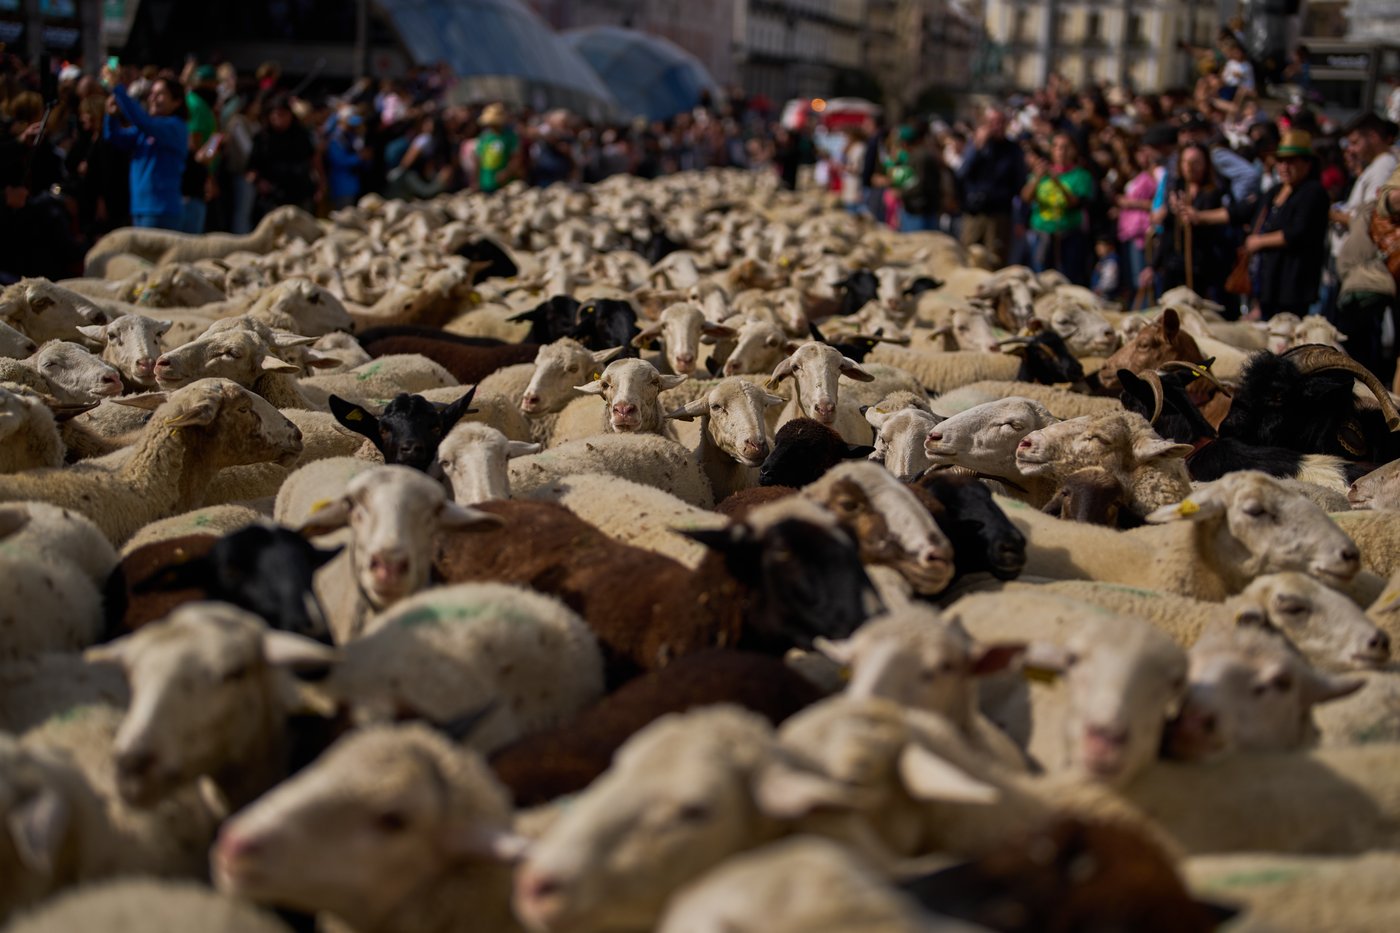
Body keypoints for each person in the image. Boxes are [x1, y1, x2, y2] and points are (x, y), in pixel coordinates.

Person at [1240, 131, 1330, 320]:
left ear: (1307, 163)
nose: (1284, 166)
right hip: (1269, 283)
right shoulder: (1275, 190)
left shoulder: (1313, 192)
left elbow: (1298, 232)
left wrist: (1260, 241)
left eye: (1291, 161)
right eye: (1281, 161)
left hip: (1293, 284)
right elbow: (1243, 211)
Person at [1148, 143, 1230, 303]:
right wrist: (1154, 265)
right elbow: (1168, 232)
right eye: (1186, 162)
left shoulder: (1214, 192)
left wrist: (1195, 216)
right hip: (1174, 264)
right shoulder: (1177, 189)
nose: (1190, 168)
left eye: (1196, 162)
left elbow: (1217, 230)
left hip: (1202, 265)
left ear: (1206, 164)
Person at [103, 76, 188, 230]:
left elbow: (143, 121)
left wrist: (119, 89)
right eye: (152, 93)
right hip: (139, 208)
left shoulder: (176, 127)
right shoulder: (145, 130)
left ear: (177, 102)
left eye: (160, 94)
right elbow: (115, 138)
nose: (153, 98)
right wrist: (111, 116)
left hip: (162, 210)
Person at [1021, 132, 1095, 285]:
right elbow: (1026, 198)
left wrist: (1058, 182)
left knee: (1069, 279)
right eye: (1056, 147)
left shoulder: (1081, 175)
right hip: (1043, 234)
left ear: (1074, 150)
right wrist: (1037, 178)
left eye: (1065, 147)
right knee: (1041, 278)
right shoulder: (1041, 173)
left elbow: (1075, 203)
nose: (1061, 151)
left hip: (1069, 234)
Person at [1336, 201, 1397, 382]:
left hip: (1371, 280)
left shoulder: (1372, 209)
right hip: (1365, 279)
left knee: (1367, 340)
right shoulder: (1371, 208)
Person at [958, 108, 1025, 266]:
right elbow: (962, 173)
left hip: (999, 214)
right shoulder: (975, 146)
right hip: (974, 213)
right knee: (969, 257)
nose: (997, 126)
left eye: (1001, 122)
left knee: (995, 260)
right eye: (992, 123)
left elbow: (1019, 182)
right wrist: (977, 147)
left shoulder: (1012, 150)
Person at [247, 95, 318, 221]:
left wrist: (320, 184)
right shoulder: (262, 138)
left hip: (299, 191)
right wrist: (259, 182)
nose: (278, 119)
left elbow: (313, 160)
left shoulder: (301, 136)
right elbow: (251, 167)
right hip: (272, 196)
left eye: (282, 114)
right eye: (275, 115)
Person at [898, 123, 946, 233]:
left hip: (919, 210)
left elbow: (919, 183)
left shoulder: (919, 157)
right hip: (925, 208)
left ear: (905, 143)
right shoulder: (924, 154)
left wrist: (902, 193)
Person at [475, 102, 521, 193]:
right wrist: (476, 179)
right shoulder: (484, 137)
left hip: (505, 181)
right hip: (486, 180)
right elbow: (479, 158)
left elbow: (516, 158)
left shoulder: (510, 136)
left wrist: (507, 172)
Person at [1090, 236, 1120, 300]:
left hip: (1106, 296)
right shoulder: (1102, 261)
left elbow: (1110, 279)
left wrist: (1099, 289)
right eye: (1097, 246)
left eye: (1101, 245)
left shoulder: (1111, 261)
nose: (1098, 248)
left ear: (1109, 246)